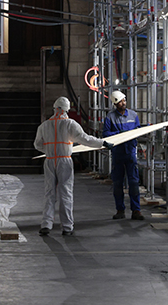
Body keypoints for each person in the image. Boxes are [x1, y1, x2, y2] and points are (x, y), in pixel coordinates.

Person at [34, 96, 113, 236]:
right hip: (64, 160)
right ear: (66, 109)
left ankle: (46, 224)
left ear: (55, 108)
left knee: (49, 192)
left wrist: (49, 151)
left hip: (49, 160)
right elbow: (85, 139)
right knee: (66, 192)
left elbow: (37, 145)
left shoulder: (44, 125)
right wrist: (102, 143)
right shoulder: (70, 124)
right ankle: (67, 227)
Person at [103, 90, 144, 220]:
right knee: (117, 183)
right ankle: (120, 210)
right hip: (118, 154)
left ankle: (136, 210)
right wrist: (119, 134)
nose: (123, 103)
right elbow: (105, 134)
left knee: (133, 182)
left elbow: (137, 130)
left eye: (124, 100)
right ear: (115, 103)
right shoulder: (110, 117)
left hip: (131, 153)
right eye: (121, 101)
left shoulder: (133, 115)